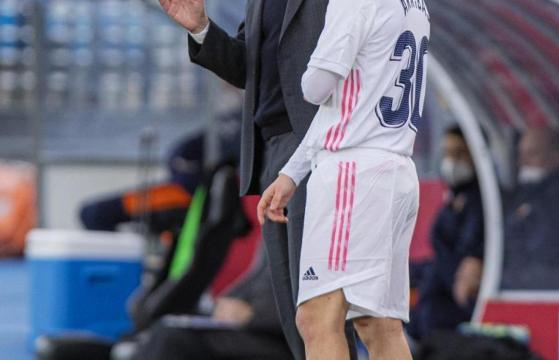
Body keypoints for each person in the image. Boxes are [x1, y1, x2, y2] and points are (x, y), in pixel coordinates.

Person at [157, 0, 353, 358]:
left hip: (317, 146)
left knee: (321, 315)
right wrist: (201, 28)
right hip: (273, 153)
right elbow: (247, 67)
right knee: (296, 314)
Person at [257, 0, 431, 358]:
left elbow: (316, 88)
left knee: (316, 318)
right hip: (393, 167)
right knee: (378, 323)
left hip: (354, 176)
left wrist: (310, 61)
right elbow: (344, 104)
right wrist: (292, 173)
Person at [133, 250, 294, 360]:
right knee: (166, 326)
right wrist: (225, 302)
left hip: (279, 339)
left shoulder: (305, 226)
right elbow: (254, 276)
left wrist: (253, 315)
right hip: (250, 326)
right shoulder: (276, 222)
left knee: (172, 339)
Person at [415, 125, 484, 338]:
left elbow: (467, 249)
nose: (451, 161)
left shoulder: (481, 201)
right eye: (447, 153)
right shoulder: (454, 197)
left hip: (454, 305)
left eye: (459, 153)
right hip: (436, 293)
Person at [501, 126, 559, 290]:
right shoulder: (527, 191)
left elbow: (544, 252)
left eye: (532, 154)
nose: (522, 162)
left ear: (556, 158)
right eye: (520, 155)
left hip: (543, 284)